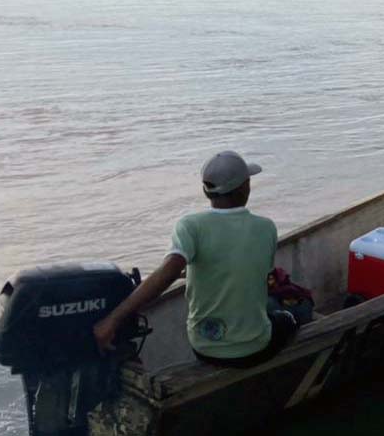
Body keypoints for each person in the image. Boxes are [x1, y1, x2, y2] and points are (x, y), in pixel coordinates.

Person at [93, 151, 298, 367]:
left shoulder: (190, 226)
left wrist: (113, 319)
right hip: (255, 348)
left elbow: (168, 271)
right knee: (290, 315)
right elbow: (252, 270)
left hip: (205, 348)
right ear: (245, 187)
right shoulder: (266, 227)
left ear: (205, 191)